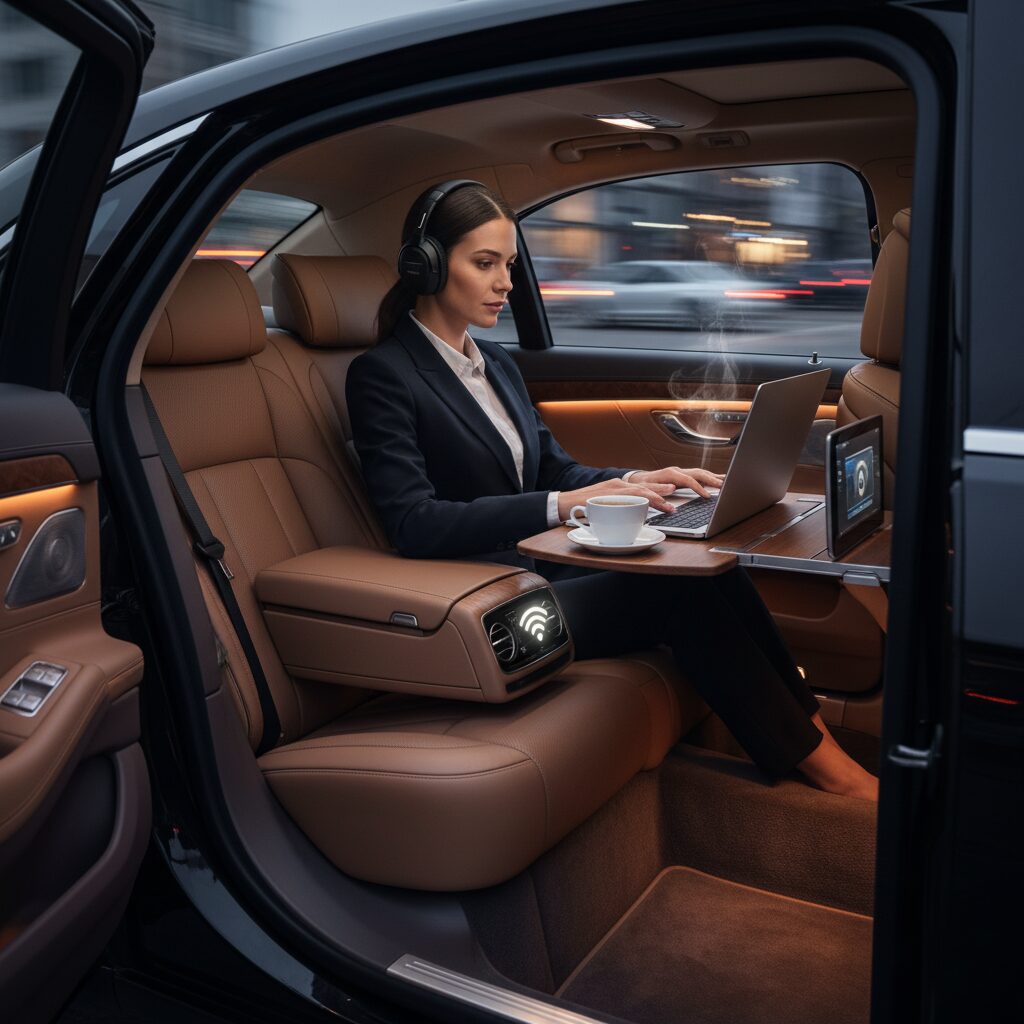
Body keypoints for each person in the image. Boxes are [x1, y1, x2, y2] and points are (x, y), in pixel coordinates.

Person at [346, 180, 879, 801]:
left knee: (716, 571)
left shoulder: (496, 365)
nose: (505, 284)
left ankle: (816, 742)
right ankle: (833, 775)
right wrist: (560, 506)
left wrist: (633, 481)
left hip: (539, 575)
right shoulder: (382, 375)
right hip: (486, 610)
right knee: (685, 599)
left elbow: (555, 472)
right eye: (484, 263)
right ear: (427, 264)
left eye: (510, 265)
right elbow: (414, 523)